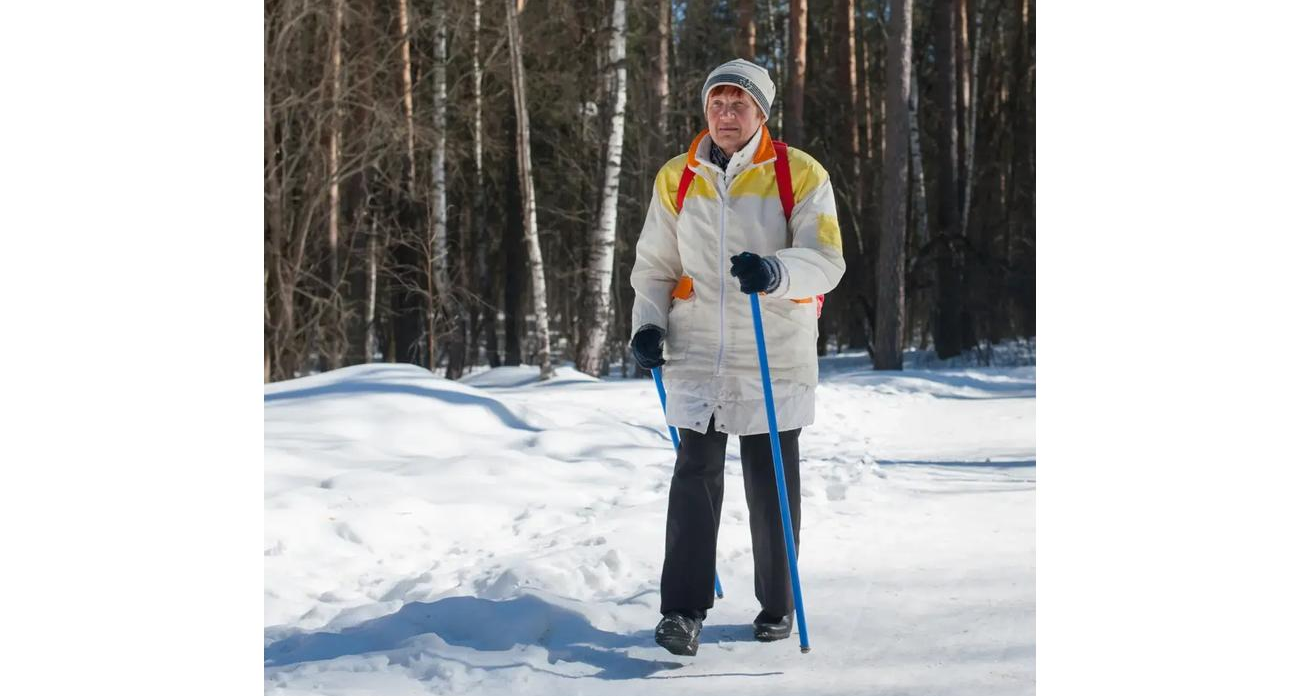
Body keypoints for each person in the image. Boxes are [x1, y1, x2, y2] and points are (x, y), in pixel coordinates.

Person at [628, 58, 845, 656]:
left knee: (769, 481)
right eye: (717, 104)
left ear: (761, 113)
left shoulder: (797, 173)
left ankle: (777, 604)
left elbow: (826, 257)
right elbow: (654, 266)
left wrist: (776, 270)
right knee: (693, 476)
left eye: (738, 104)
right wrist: (648, 326)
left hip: (772, 346)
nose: (726, 115)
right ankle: (681, 612)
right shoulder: (679, 176)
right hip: (697, 348)